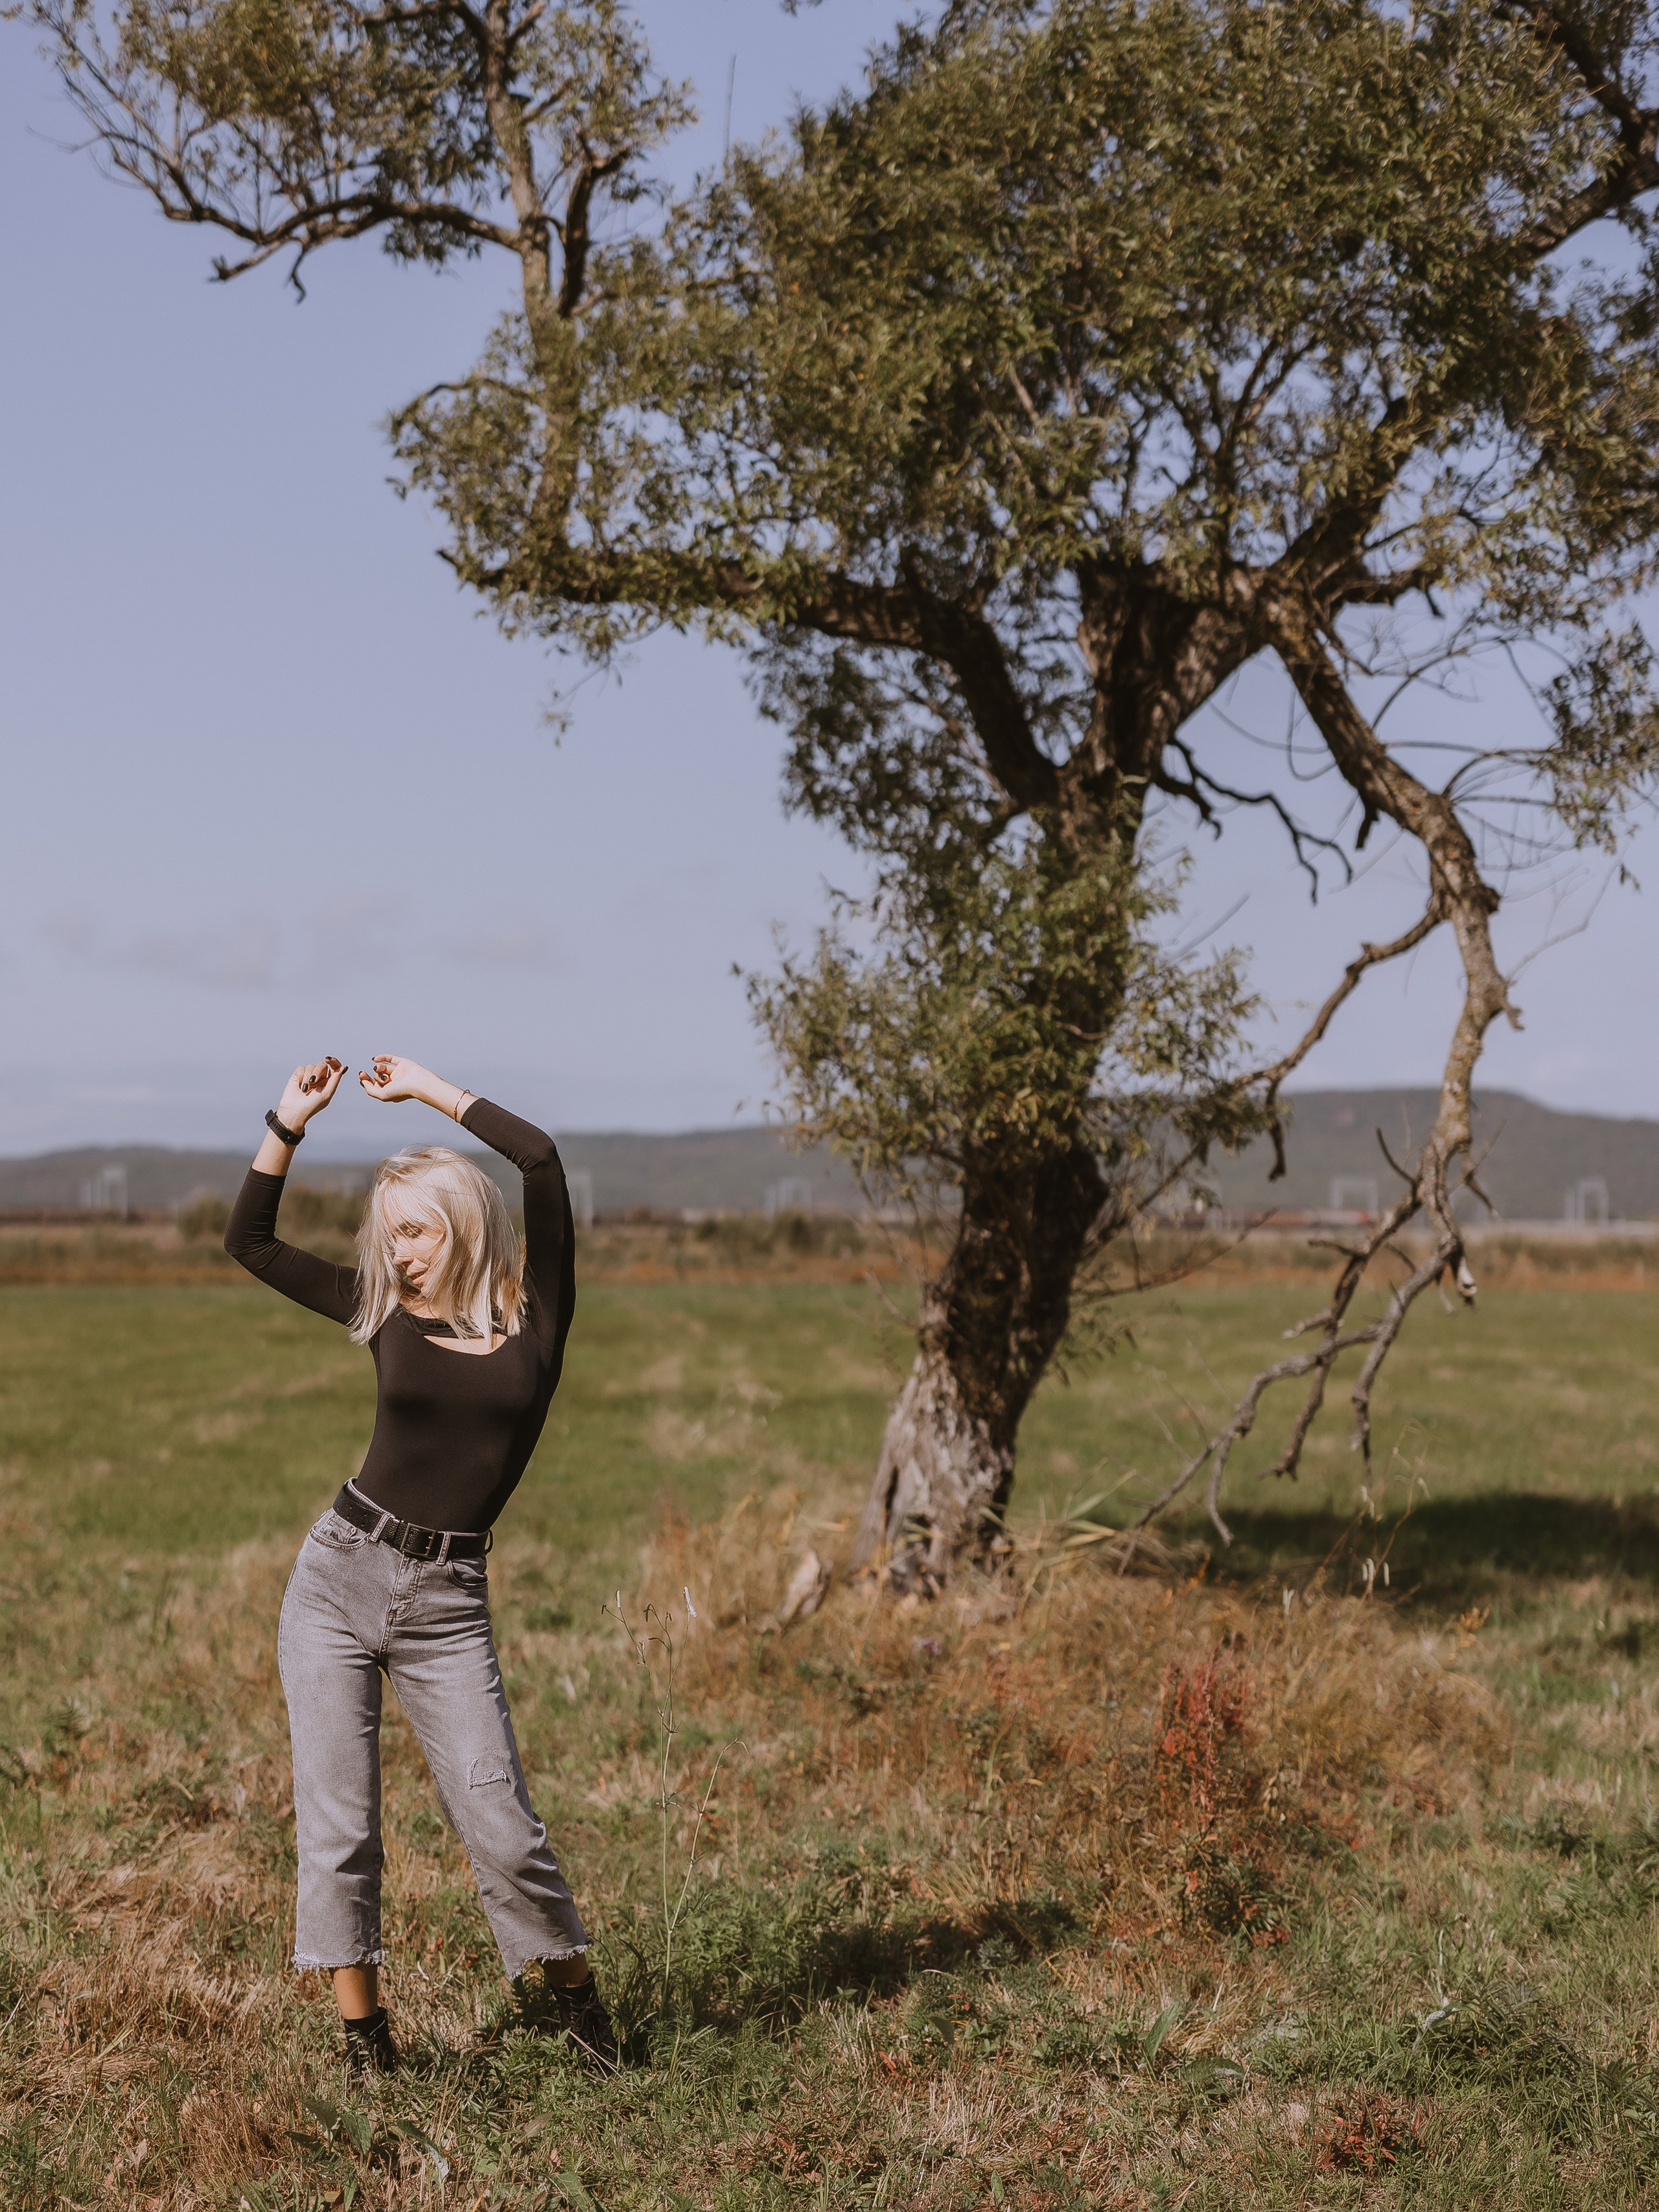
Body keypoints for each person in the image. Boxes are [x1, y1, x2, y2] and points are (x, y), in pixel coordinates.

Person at [224, 1053, 616, 2080]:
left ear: (464, 1222)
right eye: (388, 1232)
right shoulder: (381, 1310)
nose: (398, 1253)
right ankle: (367, 2041)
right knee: (340, 1825)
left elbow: (541, 1156)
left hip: (447, 1601)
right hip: (338, 1578)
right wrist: (288, 1121)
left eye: (417, 1228)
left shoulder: (540, 1320)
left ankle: (581, 2011)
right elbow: (249, 1241)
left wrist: (432, 1089)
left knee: (502, 1818)